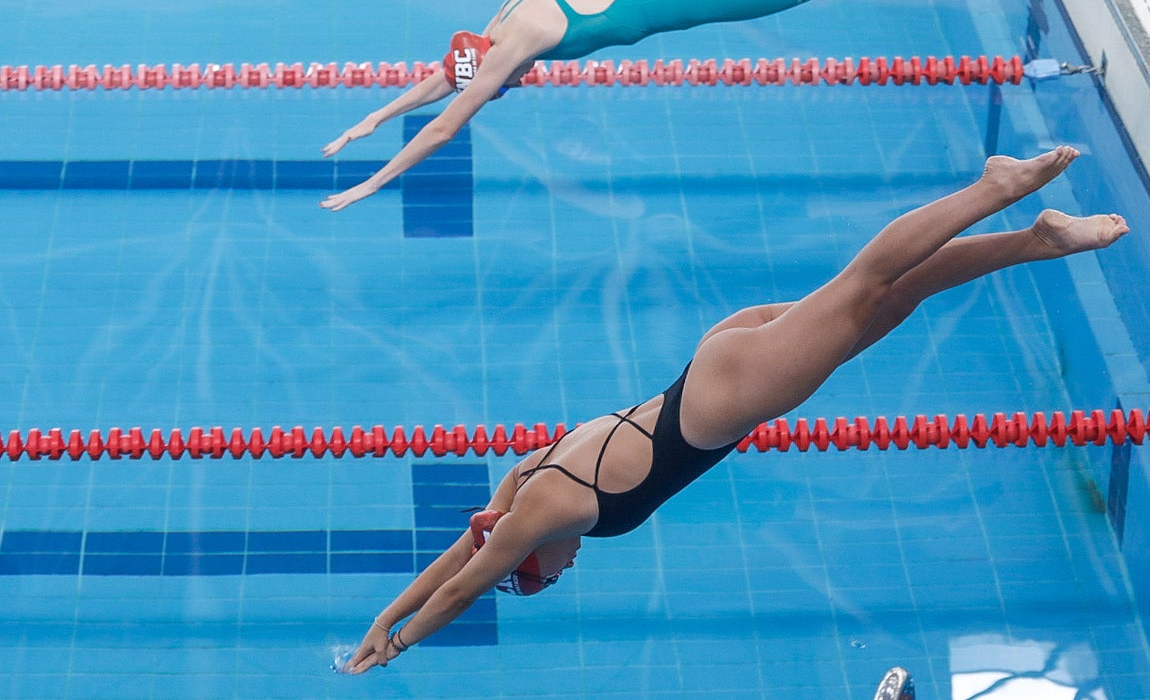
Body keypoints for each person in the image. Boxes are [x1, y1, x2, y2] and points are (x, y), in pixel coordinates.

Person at [337, 146, 1128, 672]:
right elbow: (461, 557)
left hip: (729, 394)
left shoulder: (539, 515)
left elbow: (465, 585)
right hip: (714, 362)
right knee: (894, 302)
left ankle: (993, 190)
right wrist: (385, 615)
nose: (564, 571)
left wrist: (399, 644)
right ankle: (1036, 239)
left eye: (546, 576)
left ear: (534, 558)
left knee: (865, 286)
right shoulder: (516, 488)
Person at [318, 0, 1048, 211]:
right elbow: (443, 79)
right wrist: (370, 119)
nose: (501, 88)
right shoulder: (507, 12)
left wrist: (372, 183)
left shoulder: (517, 47)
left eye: (495, 85)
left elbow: (449, 121)